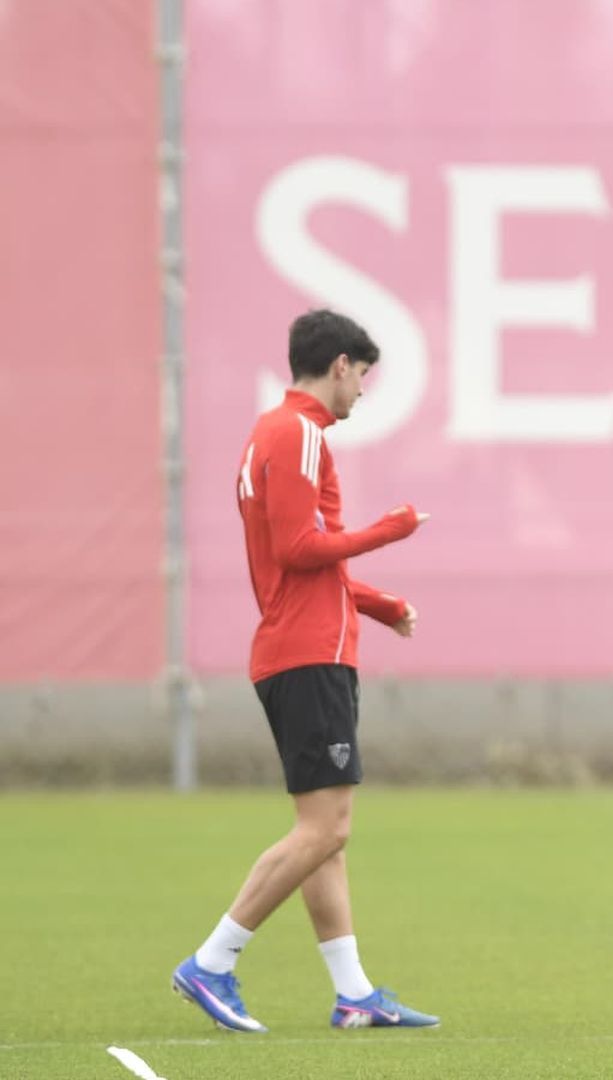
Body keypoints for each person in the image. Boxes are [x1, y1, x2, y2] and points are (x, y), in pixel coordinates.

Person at [171, 309, 436, 1032]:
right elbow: (297, 548)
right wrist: (392, 529)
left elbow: (300, 564)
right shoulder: (299, 434)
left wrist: (378, 606)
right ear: (341, 365)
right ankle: (213, 963)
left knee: (324, 830)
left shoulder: (275, 434)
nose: (363, 394)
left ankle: (353, 995)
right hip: (306, 652)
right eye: (363, 377)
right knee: (323, 829)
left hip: (305, 644)